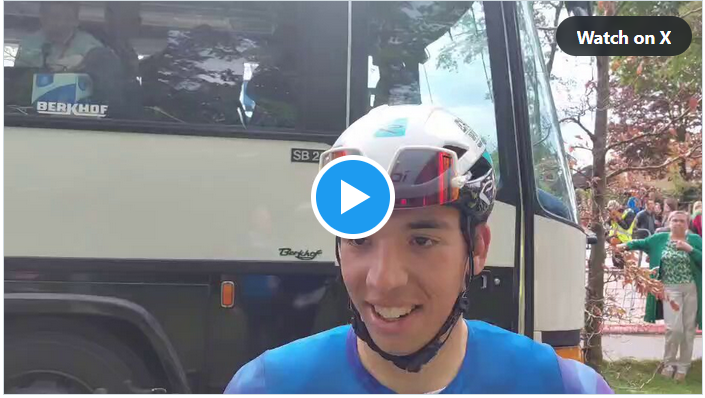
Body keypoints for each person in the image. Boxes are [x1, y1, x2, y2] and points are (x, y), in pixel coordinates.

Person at [225, 105, 613, 393]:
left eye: (421, 241)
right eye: (359, 240)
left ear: (477, 249)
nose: (384, 280)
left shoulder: (559, 387)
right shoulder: (268, 387)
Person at [617, 211, 702, 382]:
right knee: (674, 329)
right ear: (669, 222)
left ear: (687, 224)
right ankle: (668, 364)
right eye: (674, 220)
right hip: (669, 290)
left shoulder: (694, 240)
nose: (678, 223)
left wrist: (690, 249)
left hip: (691, 289)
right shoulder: (660, 239)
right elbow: (640, 243)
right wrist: (622, 246)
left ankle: (683, 366)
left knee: (688, 329)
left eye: (682, 221)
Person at [15, 2, 104, 71]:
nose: (60, 23)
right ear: (42, 18)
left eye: (67, 18)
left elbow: (102, 78)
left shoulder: (92, 47)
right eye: (55, 17)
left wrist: (82, 63)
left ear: (76, 20)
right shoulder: (28, 44)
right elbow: (19, 78)